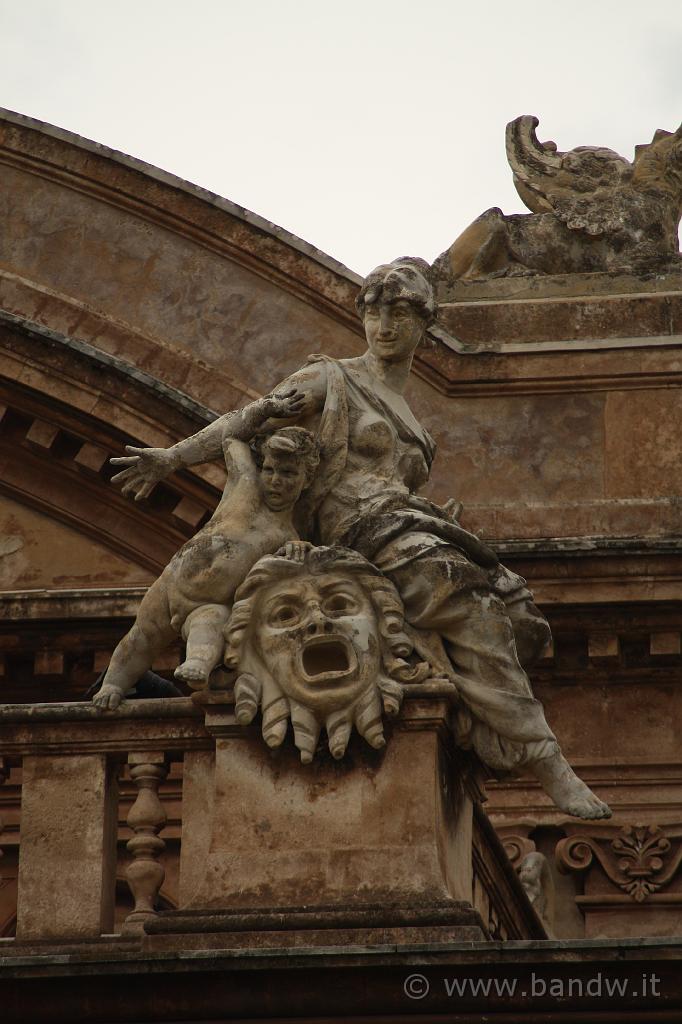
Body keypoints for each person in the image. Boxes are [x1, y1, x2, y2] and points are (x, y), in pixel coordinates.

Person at [108, 257, 610, 819]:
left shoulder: (414, 422)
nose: (384, 327)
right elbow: (248, 420)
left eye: (399, 314)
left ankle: (490, 729)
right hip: (359, 527)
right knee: (472, 608)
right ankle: (548, 761)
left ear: (424, 323)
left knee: (518, 617)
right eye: (373, 313)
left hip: (406, 520)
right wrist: (172, 457)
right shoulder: (331, 378)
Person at [94, 389, 319, 708]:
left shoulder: (287, 535)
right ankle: (113, 684)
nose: (275, 481)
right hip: (174, 577)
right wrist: (264, 409)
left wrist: (300, 552)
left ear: (306, 480)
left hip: (209, 602)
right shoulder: (245, 484)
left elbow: (295, 564)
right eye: (269, 470)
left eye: (288, 474)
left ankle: (197, 664)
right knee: (141, 637)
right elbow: (231, 436)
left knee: (210, 625)